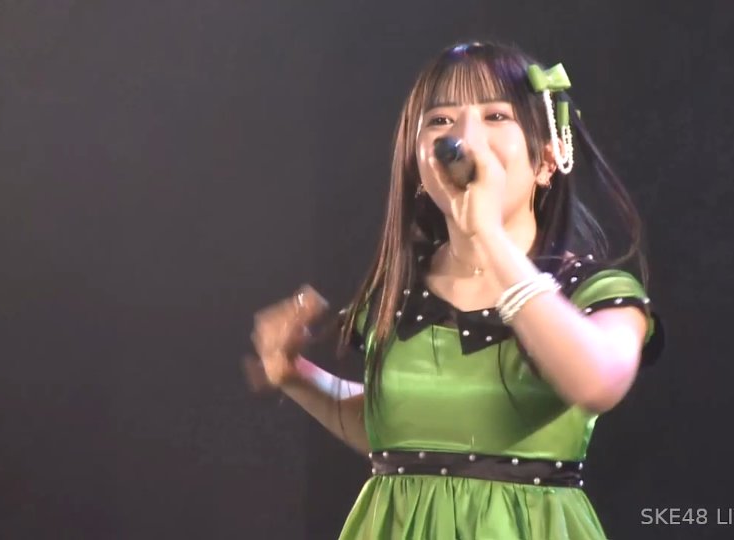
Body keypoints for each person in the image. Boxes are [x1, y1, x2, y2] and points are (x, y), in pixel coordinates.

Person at [250, 41, 664, 540]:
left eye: (495, 116)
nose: (465, 139)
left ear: (546, 160)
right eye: (441, 120)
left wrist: (486, 234)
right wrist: (294, 375)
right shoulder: (396, 293)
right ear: (419, 167)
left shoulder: (596, 291)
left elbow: (598, 382)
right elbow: (403, 432)